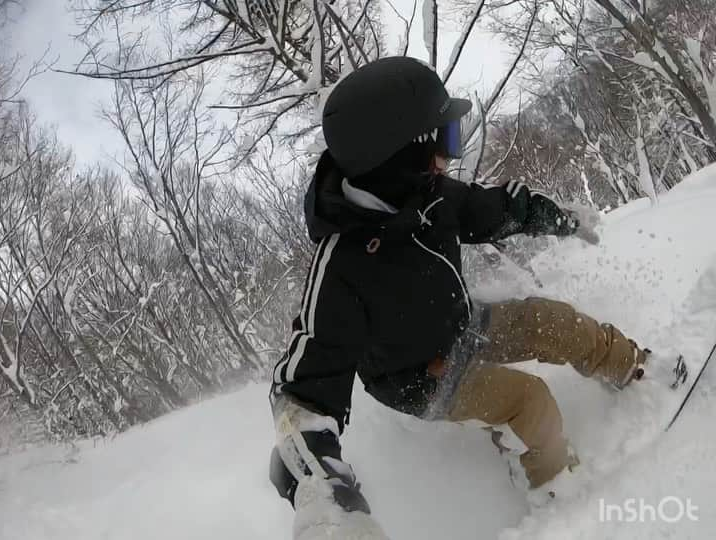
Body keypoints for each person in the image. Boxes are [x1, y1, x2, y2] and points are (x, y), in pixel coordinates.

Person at [268, 56, 649, 539]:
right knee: (529, 399)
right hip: (419, 379)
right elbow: (303, 392)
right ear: (401, 154)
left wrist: (557, 218)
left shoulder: (431, 195)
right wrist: (324, 493)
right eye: (446, 139)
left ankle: (634, 369)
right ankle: (558, 494)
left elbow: (495, 209)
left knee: (555, 322)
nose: (452, 154)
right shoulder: (342, 267)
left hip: (463, 324)